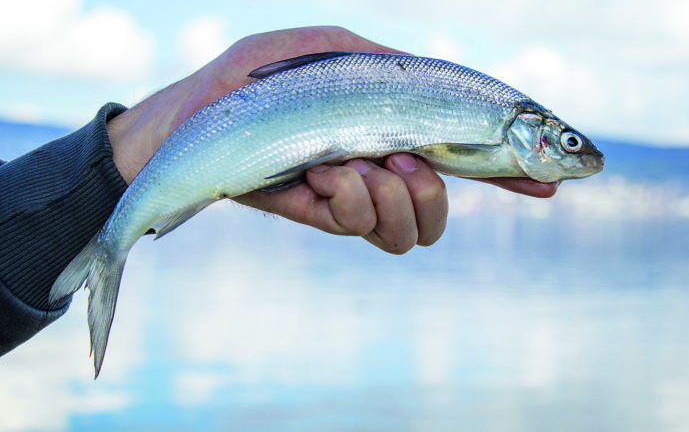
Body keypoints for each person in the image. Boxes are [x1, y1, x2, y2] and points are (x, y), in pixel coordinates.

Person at [0, 26, 557, 355]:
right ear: (535, 131)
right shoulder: (502, 120)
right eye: (568, 144)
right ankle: (107, 251)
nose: (574, 156)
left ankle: (108, 247)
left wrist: (134, 144)